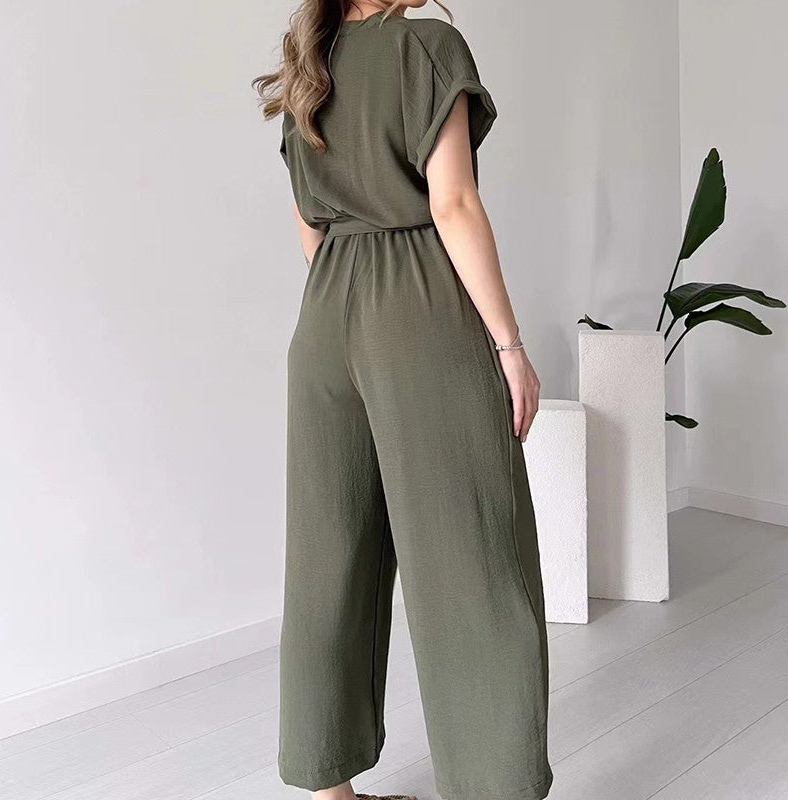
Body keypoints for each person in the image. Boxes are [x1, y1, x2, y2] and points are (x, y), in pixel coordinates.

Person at [255, 2, 552, 799]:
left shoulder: (309, 63)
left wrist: (350, 304)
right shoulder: (428, 45)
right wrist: (509, 345)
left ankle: (328, 786)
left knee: (328, 555)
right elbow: (452, 204)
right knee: (470, 556)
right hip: (418, 308)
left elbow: (310, 224)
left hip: (325, 316)